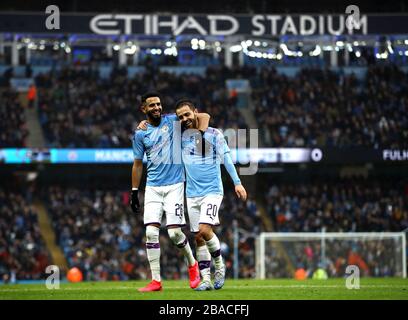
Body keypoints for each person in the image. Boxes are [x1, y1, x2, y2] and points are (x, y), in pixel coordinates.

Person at [131, 92, 210, 292]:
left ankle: (192, 264)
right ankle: (156, 281)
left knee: (175, 233)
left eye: (158, 104)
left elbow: (204, 116)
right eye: (152, 105)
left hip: (175, 184)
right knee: (150, 232)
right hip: (153, 188)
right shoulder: (140, 133)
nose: (157, 108)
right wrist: (134, 191)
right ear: (144, 109)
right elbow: (138, 164)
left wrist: (199, 134)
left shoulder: (173, 121)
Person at [175, 98, 247, 291]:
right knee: (198, 238)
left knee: (205, 231)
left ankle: (220, 267)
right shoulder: (180, 136)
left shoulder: (215, 134)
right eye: (180, 117)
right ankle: (205, 279)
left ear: (195, 112)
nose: (184, 119)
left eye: (187, 114)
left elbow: (227, 160)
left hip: (212, 191)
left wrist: (238, 183)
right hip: (191, 194)